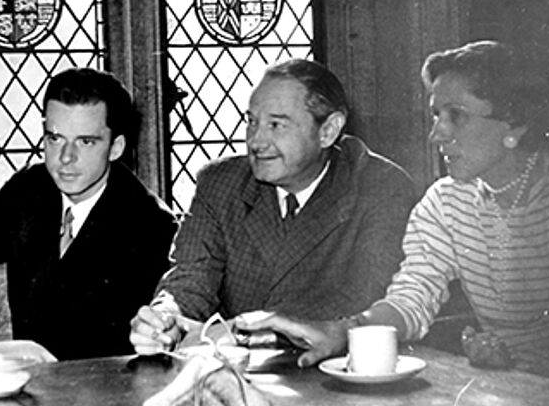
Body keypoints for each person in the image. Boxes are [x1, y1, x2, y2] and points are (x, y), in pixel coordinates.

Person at [236, 41, 549, 380]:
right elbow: (412, 297)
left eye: (457, 116)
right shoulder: (445, 203)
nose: (436, 134)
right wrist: (344, 330)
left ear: (514, 126)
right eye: (436, 115)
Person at [130, 58, 417, 354]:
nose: (256, 141)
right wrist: (165, 319)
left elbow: (363, 303)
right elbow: (190, 278)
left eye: (276, 125)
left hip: (333, 370)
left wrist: (240, 333)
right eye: (252, 122)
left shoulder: (381, 188)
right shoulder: (219, 183)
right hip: (233, 370)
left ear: (328, 130)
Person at [0, 67, 177, 360]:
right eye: (55, 139)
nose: (66, 157)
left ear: (116, 147)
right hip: (30, 379)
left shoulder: (151, 226)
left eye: (85, 142)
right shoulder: (33, 188)